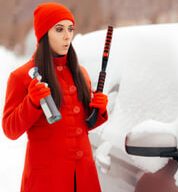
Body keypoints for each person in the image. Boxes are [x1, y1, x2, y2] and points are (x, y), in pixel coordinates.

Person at [2, 2, 108, 192]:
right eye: (59, 29)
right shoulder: (21, 76)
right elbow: (10, 129)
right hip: (47, 180)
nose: (67, 36)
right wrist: (32, 103)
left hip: (84, 176)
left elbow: (82, 124)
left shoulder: (80, 73)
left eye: (70, 29)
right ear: (44, 34)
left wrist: (98, 110)